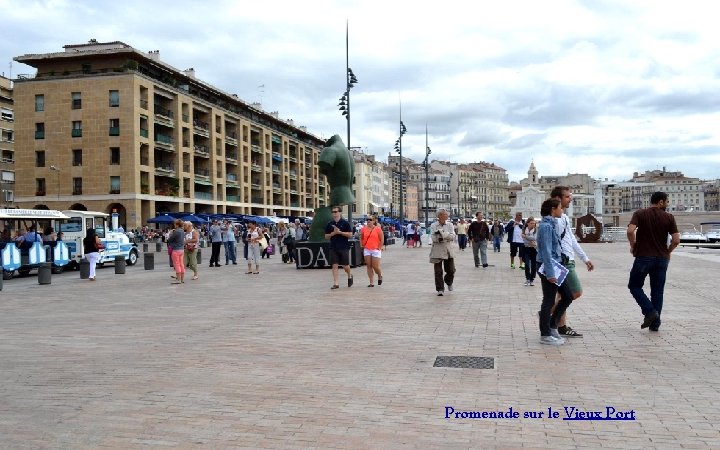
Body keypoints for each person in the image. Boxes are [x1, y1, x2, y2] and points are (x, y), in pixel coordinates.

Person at [627, 191, 680, 331]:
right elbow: (676, 240)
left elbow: (630, 231)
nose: (667, 204)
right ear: (661, 202)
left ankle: (650, 312)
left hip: (643, 257)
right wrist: (668, 251)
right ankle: (655, 324)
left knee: (634, 286)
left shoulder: (640, 214)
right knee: (658, 291)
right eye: (667, 201)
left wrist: (633, 246)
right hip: (662, 259)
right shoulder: (669, 217)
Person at [550, 186, 594, 338]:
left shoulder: (564, 218)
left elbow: (571, 240)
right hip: (562, 261)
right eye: (567, 197)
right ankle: (547, 314)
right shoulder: (553, 220)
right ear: (558, 199)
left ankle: (561, 326)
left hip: (569, 260)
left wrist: (584, 258)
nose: (570, 199)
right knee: (575, 292)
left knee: (561, 296)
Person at [536, 199, 574, 345]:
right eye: (560, 208)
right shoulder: (546, 226)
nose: (562, 210)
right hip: (549, 266)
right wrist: (550, 273)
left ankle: (552, 326)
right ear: (553, 209)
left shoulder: (551, 224)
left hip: (556, 265)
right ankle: (545, 334)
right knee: (549, 300)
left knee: (567, 296)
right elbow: (545, 250)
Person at [429, 208, 457, 296]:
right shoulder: (434, 225)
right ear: (439, 216)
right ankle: (440, 289)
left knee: (451, 270)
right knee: (438, 271)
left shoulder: (450, 225)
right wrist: (441, 237)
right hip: (437, 249)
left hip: (448, 249)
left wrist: (444, 235)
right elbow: (433, 237)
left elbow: (453, 236)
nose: (447, 215)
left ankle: (449, 281)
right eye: (445, 214)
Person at [325, 206, 353, 289]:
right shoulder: (329, 224)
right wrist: (333, 233)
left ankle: (349, 274)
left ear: (340, 212)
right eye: (333, 212)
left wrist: (340, 232)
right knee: (334, 265)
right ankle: (336, 283)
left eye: (336, 212)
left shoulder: (345, 223)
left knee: (345, 266)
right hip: (333, 247)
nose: (334, 213)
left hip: (343, 247)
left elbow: (350, 235)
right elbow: (326, 236)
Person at [360, 215, 384, 287]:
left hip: (375, 249)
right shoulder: (363, 229)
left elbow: (382, 239)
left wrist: (379, 247)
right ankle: (371, 282)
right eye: (367, 219)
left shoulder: (378, 229)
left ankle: (379, 275)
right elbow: (361, 237)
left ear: (374, 221)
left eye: (370, 220)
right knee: (369, 265)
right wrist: (361, 245)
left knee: (375, 266)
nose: (368, 221)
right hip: (367, 249)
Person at [167, 219, 186, 284]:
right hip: (181, 249)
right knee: (181, 264)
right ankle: (182, 279)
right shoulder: (182, 231)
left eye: (175, 224)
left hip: (176, 250)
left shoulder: (176, 231)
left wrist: (170, 233)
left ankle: (178, 279)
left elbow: (170, 239)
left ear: (177, 224)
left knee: (176, 264)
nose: (174, 225)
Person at [522, 217, 538, 286]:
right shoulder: (524, 230)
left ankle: (532, 279)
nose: (533, 225)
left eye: (534, 223)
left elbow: (534, 238)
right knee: (527, 265)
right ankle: (527, 279)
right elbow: (524, 241)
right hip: (526, 248)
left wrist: (526, 236)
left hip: (534, 249)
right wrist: (528, 239)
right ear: (528, 223)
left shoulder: (536, 230)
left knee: (534, 265)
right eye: (531, 223)